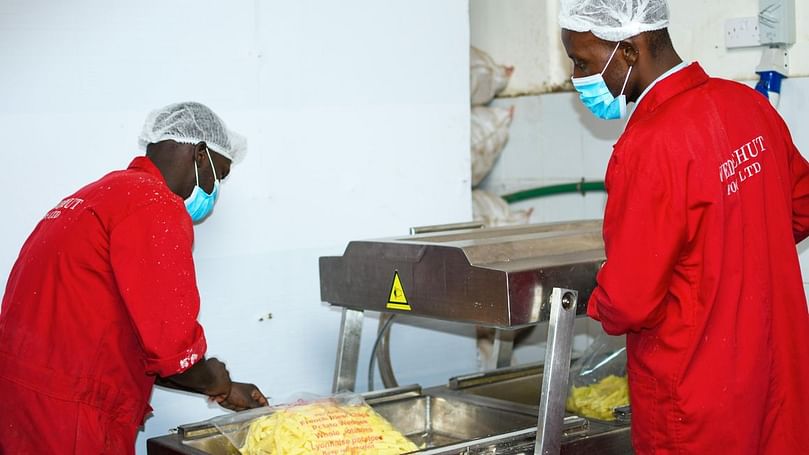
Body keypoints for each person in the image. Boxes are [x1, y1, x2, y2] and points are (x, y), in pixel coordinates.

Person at [559, 0, 809, 453]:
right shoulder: (748, 107)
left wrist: (595, 302)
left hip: (695, 401)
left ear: (630, 50)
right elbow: (801, 206)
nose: (576, 79)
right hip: (776, 381)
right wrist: (731, 251)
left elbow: (631, 302)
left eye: (583, 62)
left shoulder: (647, 146)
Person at [0, 102, 268, 454]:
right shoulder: (154, 204)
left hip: (23, 402)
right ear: (201, 155)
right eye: (220, 175)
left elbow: (142, 338)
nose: (214, 193)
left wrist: (223, 387)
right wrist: (217, 378)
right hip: (71, 416)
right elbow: (173, 352)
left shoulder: (99, 194)